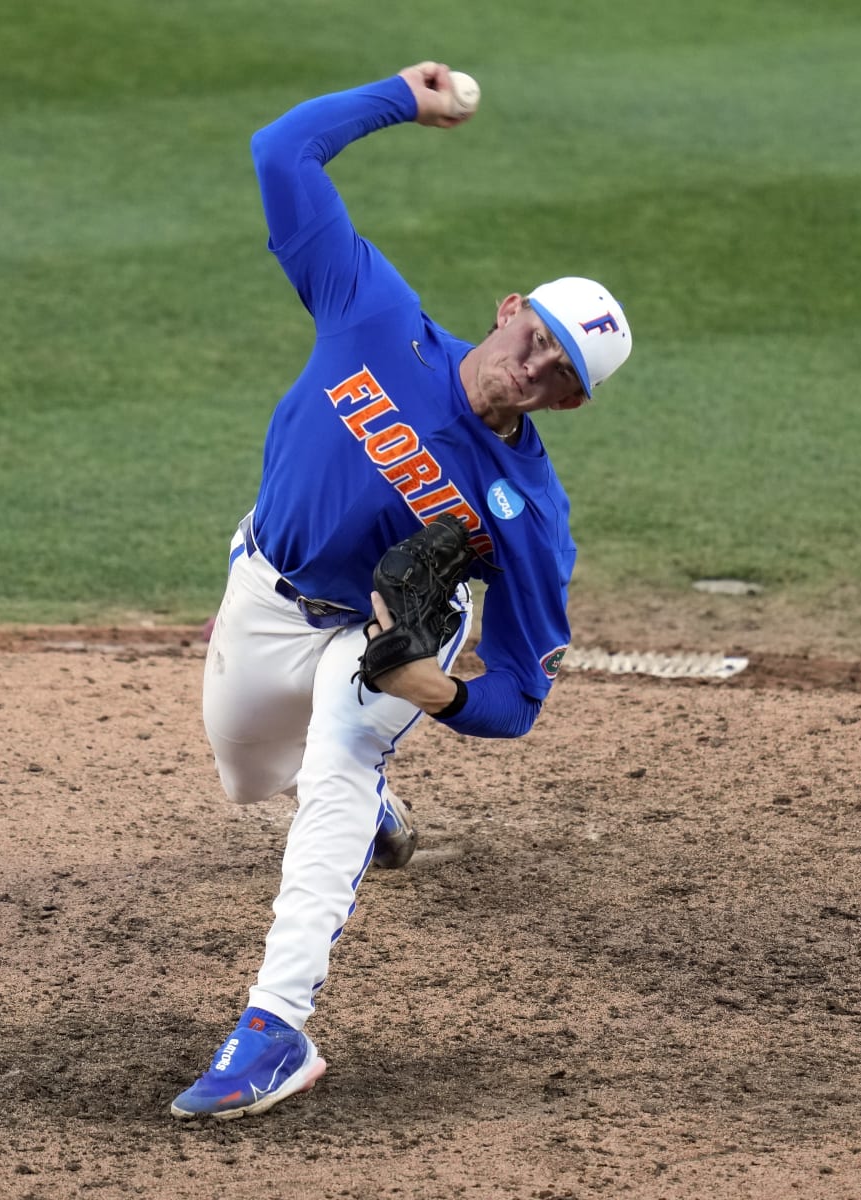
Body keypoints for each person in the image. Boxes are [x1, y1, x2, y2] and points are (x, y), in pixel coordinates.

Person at [169, 61, 632, 1120]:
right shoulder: (375, 315)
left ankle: (273, 1033)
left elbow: (521, 689)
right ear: (509, 309)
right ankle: (373, 805)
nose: (534, 372)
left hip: (385, 640)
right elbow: (280, 152)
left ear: (572, 404)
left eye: (563, 378)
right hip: (265, 590)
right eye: (538, 342)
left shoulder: (527, 511)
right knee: (248, 773)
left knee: (335, 759)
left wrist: (441, 693)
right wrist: (398, 97)